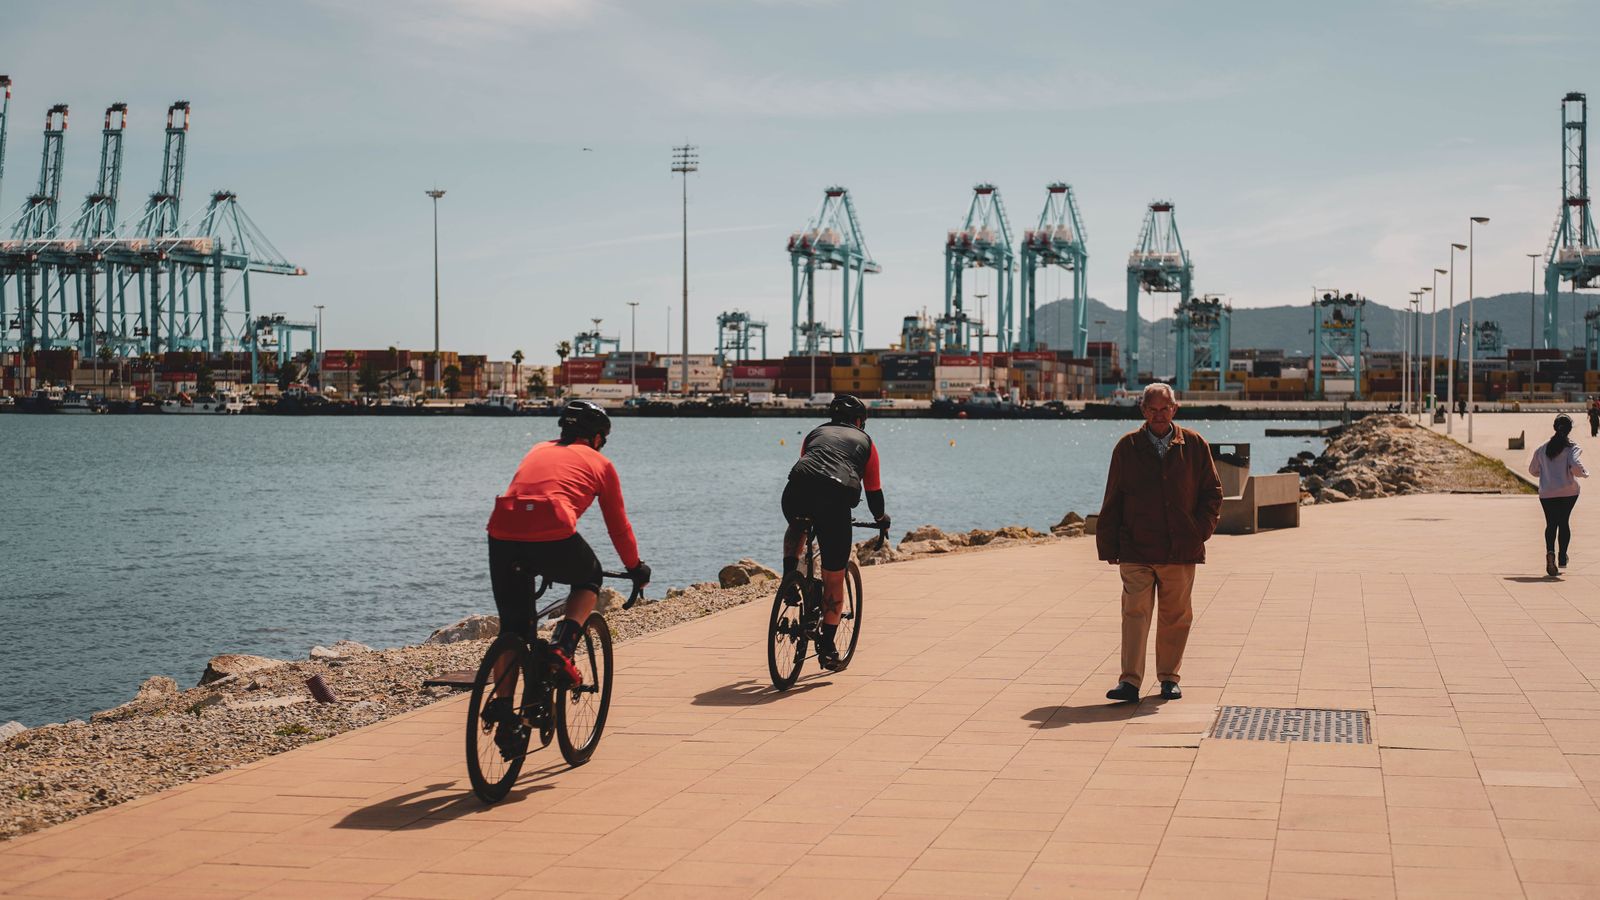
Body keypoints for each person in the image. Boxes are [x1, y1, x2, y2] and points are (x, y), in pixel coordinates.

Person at [486, 400, 650, 692]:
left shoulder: (537, 449)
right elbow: (618, 527)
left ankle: (503, 713)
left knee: (514, 628)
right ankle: (562, 647)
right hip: (552, 528)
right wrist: (635, 567)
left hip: (502, 528)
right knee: (589, 578)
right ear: (598, 437)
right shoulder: (601, 464)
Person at [1096, 383, 1223, 703]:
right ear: (1142, 410)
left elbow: (1212, 493)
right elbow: (1112, 497)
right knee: (1134, 614)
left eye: (1164, 409)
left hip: (1180, 548)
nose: (1158, 415)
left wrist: (1200, 531)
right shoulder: (1127, 447)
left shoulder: (1194, 444)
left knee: (1175, 616)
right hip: (1136, 548)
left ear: (1175, 409)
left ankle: (1169, 678)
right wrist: (1108, 546)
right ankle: (1130, 682)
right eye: (1152, 409)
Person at [781, 394, 890, 669]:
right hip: (835, 498)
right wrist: (881, 518)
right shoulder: (866, 443)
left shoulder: (814, 434)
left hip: (795, 489)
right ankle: (828, 648)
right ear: (858, 421)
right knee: (833, 577)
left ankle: (789, 576)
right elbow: (873, 491)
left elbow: (810, 468)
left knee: (799, 523)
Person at [1529, 414, 1588, 577]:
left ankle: (1550, 552)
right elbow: (1576, 466)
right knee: (1564, 521)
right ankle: (1562, 556)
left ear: (1555, 428)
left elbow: (1532, 470)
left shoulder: (1542, 449)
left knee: (1551, 523)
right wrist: (1584, 473)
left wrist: (1547, 474)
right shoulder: (1572, 447)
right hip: (1568, 492)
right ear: (1569, 430)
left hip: (1547, 493)